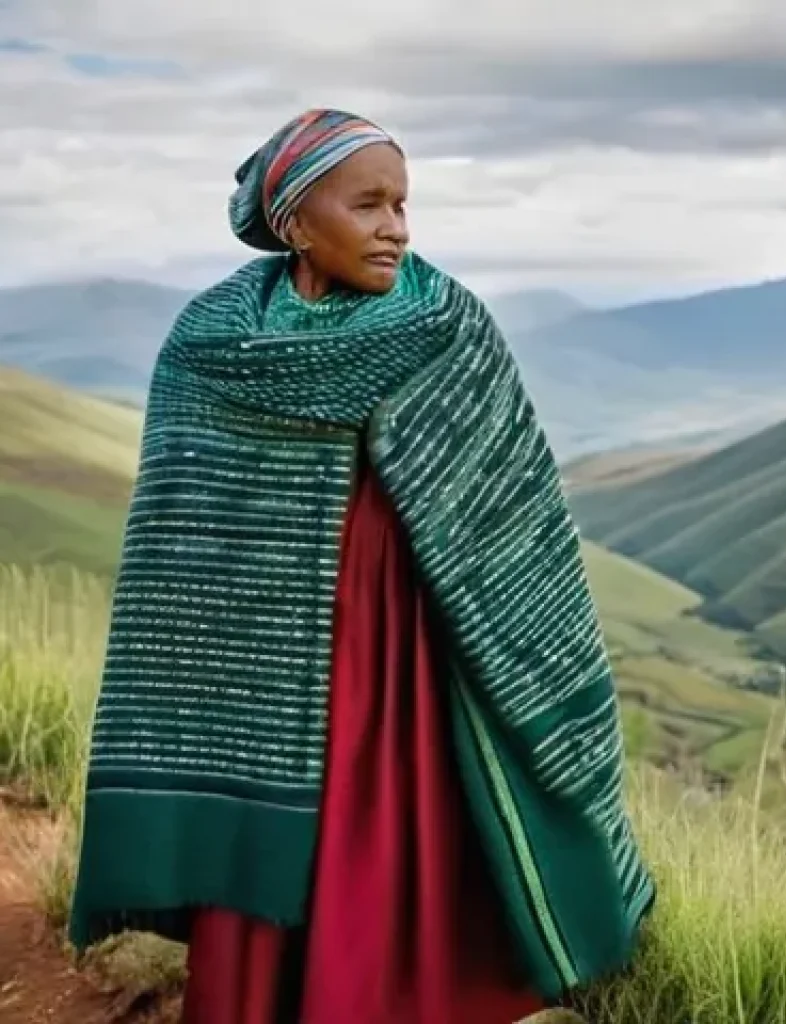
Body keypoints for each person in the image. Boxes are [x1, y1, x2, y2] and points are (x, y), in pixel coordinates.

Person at [69, 108, 654, 1023]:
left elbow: (514, 507)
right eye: (370, 204)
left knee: (393, 823)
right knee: (284, 823)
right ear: (298, 221)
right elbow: (181, 540)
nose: (398, 228)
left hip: (413, 641)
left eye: (405, 204)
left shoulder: (443, 323)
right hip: (268, 659)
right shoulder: (213, 343)